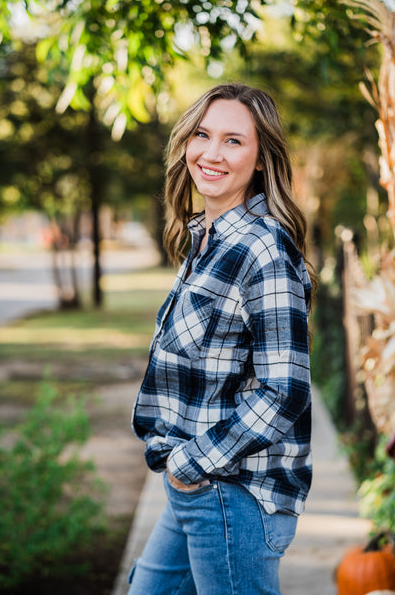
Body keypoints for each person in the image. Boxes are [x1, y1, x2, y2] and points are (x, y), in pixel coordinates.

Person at [128, 83, 316, 595]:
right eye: (202, 134)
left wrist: (191, 464)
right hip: (196, 485)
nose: (211, 153)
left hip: (233, 493)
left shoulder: (263, 250)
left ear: (261, 159)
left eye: (234, 141)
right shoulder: (207, 238)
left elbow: (285, 392)